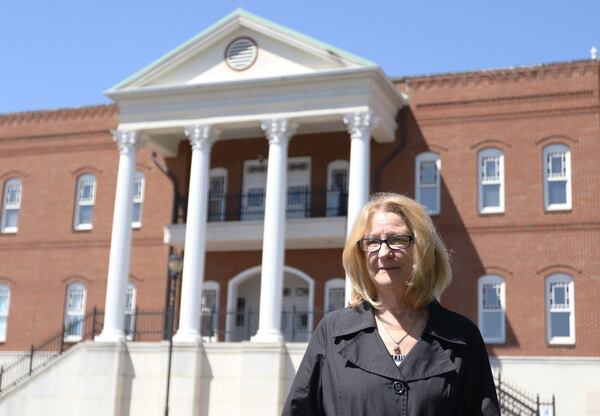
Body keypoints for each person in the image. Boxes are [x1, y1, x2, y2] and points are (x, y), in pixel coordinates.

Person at [282, 193, 500, 416]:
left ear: (423, 249)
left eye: (397, 240)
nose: (384, 253)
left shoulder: (462, 337)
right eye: (373, 242)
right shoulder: (332, 332)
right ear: (360, 254)